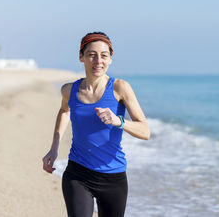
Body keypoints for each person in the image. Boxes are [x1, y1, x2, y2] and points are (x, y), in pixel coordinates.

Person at [42, 32, 150, 217]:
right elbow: (65, 111)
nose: (98, 60)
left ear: (110, 59)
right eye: (91, 54)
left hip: (113, 177)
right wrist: (54, 148)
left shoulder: (120, 88)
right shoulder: (69, 90)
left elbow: (145, 131)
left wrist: (119, 121)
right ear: (81, 57)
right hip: (77, 174)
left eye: (104, 55)